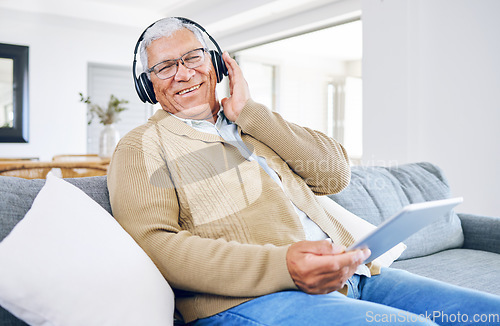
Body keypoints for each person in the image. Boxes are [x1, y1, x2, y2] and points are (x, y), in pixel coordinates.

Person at [107, 17, 500, 325]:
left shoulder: (252, 124)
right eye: (164, 67)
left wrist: (251, 114)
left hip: (356, 275)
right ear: (148, 85)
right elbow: (156, 245)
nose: (183, 73)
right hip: (253, 298)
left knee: (488, 315)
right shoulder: (141, 146)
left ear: (216, 65)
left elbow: (334, 176)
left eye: (192, 57)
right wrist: (283, 266)